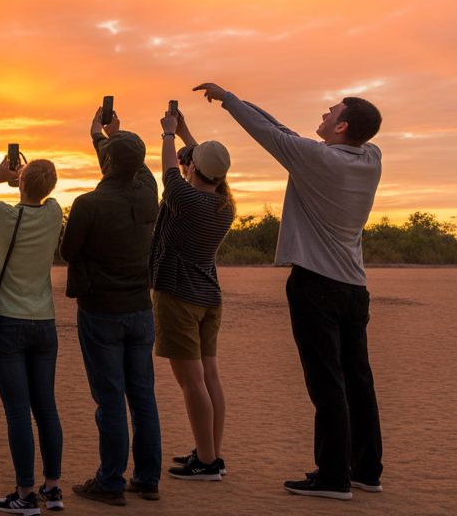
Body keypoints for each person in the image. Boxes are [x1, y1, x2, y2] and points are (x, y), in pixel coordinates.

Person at [194, 83, 383, 501]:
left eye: (333, 111)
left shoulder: (317, 159)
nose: (326, 110)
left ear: (342, 126)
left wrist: (229, 102)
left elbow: (268, 135)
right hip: (355, 287)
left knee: (326, 381)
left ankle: (333, 476)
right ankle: (366, 469)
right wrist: (235, 97)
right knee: (358, 378)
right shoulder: (371, 156)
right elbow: (281, 130)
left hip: (316, 283)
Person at [60, 108, 162, 506]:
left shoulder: (88, 204)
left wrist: (102, 135)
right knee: (143, 397)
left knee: (110, 398)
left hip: (101, 310)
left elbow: (68, 251)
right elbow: (131, 163)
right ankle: (148, 479)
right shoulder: (148, 192)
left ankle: (111, 481)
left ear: (106, 163)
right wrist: (107, 135)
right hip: (141, 308)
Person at [0, 155, 65, 515]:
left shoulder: (1, 215)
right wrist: (30, 181)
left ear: (20, 182)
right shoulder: (54, 214)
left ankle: (24, 495)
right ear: (50, 188)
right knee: (46, 408)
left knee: (18, 412)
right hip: (44, 325)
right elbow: (43, 195)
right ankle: (52, 489)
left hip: (6, 323)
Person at [151, 108, 235, 482]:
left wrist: (169, 134)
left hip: (178, 296)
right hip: (208, 296)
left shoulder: (186, 200)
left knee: (192, 381)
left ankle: (206, 461)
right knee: (210, 377)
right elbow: (201, 171)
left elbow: (170, 173)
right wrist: (187, 134)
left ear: (194, 169)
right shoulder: (223, 204)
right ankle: (210, 454)